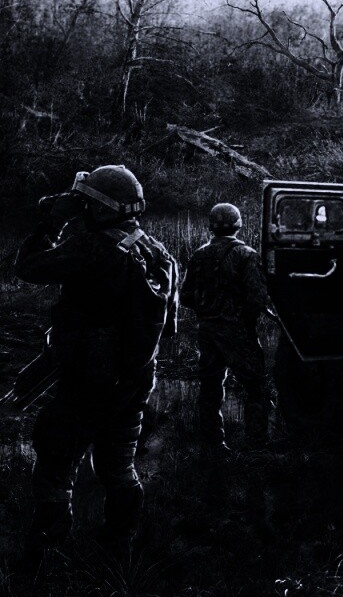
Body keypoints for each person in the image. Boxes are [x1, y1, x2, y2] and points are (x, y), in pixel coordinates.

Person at [15, 165, 177, 565]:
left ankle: (43, 560)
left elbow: (28, 267)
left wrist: (54, 221)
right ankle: (118, 552)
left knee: (55, 467)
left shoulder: (93, 247)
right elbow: (168, 328)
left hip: (87, 383)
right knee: (119, 468)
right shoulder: (160, 253)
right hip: (134, 382)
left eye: (86, 203)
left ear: (101, 207)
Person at [181, 203, 276, 453]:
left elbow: (186, 296)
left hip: (207, 330)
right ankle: (256, 447)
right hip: (237, 331)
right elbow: (257, 298)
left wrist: (207, 310)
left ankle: (213, 446)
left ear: (211, 227)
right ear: (238, 225)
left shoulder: (199, 255)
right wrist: (243, 319)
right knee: (255, 387)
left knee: (210, 388)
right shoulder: (247, 255)